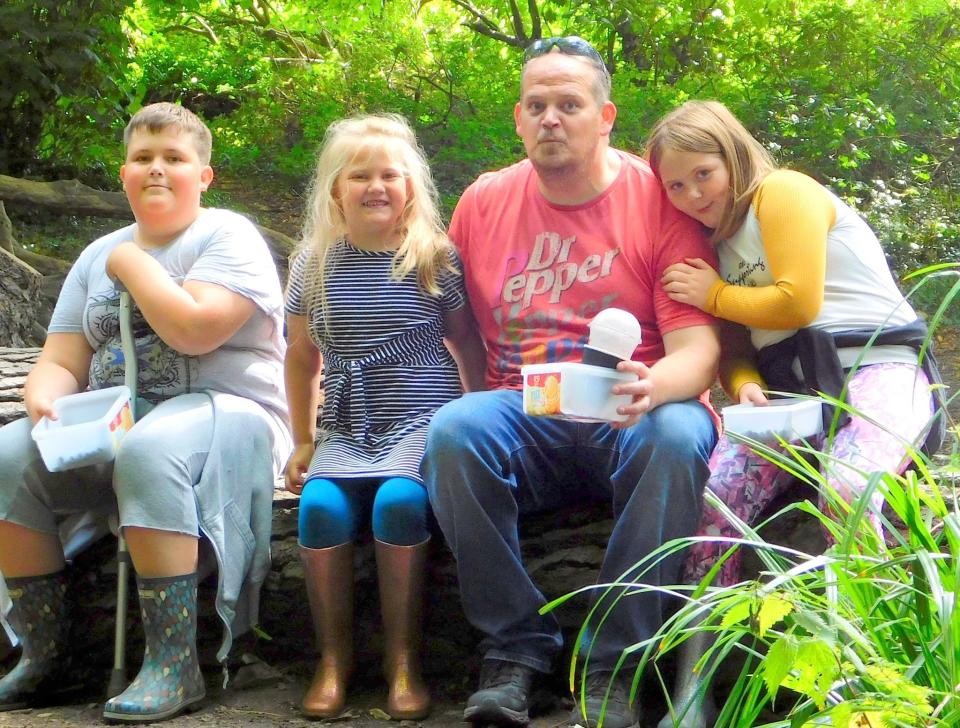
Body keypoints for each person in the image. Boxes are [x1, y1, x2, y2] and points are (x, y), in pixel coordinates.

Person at [421, 37, 722, 728]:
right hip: (529, 406)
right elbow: (461, 329)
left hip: (636, 404)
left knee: (677, 433)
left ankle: (615, 666)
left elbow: (698, 349)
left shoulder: (658, 195)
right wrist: (475, 401)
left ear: (605, 115)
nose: (551, 118)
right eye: (537, 105)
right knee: (454, 432)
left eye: (569, 104)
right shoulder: (485, 200)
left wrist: (655, 387)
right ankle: (515, 653)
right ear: (519, 120)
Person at [648, 99, 940, 728]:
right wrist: (746, 381)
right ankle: (694, 686)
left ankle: (871, 679)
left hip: (878, 367)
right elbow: (730, 348)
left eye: (703, 173)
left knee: (851, 488)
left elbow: (798, 300)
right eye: (675, 185)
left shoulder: (782, 193)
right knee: (716, 499)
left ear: (732, 157)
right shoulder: (711, 246)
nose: (693, 194)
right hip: (787, 399)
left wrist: (714, 293)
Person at [0, 102, 292, 722]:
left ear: (204, 176)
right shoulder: (96, 253)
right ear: (124, 173)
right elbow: (60, 358)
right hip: (117, 418)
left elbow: (194, 330)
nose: (156, 169)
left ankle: (174, 663)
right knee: (7, 455)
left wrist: (135, 264)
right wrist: (44, 399)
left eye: (174, 159)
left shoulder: (227, 235)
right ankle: (45, 653)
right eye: (142, 158)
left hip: (230, 414)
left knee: (151, 447)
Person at [283, 113, 485, 721]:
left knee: (398, 503)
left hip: (421, 419)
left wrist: (474, 420)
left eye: (390, 175)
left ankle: (403, 661)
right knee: (319, 510)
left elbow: (468, 343)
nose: (376, 186)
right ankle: (334, 661)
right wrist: (301, 440)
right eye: (359, 175)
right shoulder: (313, 264)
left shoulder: (432, 257)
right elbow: (300, 357)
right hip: (346, 425)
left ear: (412, 189)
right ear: (335, 192)